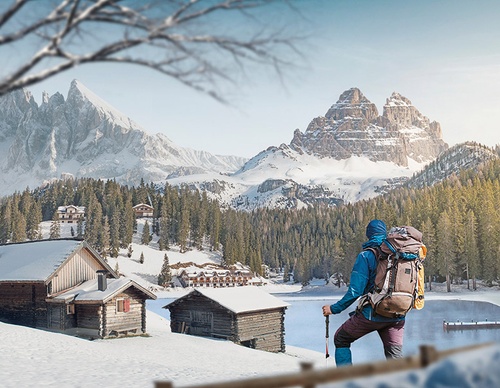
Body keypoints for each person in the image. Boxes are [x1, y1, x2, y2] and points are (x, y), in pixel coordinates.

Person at [322, 219, 405, 366]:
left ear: (369, 234)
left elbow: (355, 291)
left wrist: (333, 309)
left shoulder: (366, 256)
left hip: (372, 314)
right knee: (395, 356)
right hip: (397, 314)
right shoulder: (399, 254)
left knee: (341, 339)